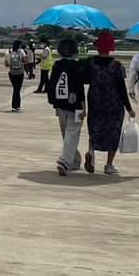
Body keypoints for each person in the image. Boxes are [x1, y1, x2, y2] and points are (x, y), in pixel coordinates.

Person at [81, 31, 134, 175]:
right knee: (113, 132)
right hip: (114, 103)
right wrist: (129, 108)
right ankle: (109, 164)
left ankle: (91, 151)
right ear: (111, 48)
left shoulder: (90, 63)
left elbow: (84, 80)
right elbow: (122, 89)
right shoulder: (117, 66)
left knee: (95, 129)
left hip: (95, 100)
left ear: (97, 47)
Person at [47, 37, 86, 175]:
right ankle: (67, 161)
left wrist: (54, 102)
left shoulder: (57, 65)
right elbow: (80, 88)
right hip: (75, 106)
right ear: (75, 51)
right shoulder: (78, 66)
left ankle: (73, 159)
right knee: (72, 133)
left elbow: (51, 84)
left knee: (67, 134)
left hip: (60, 105)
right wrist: (84, 106)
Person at [4, 40, 28, 111]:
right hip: (20, 73)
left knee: (16, 89)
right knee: (17, 90)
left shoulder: (8, 52)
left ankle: (16, 106)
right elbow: (26, 62)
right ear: (19, 46)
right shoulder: (21, 52)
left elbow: (6, 64)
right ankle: (16, 106)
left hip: (12, 73)